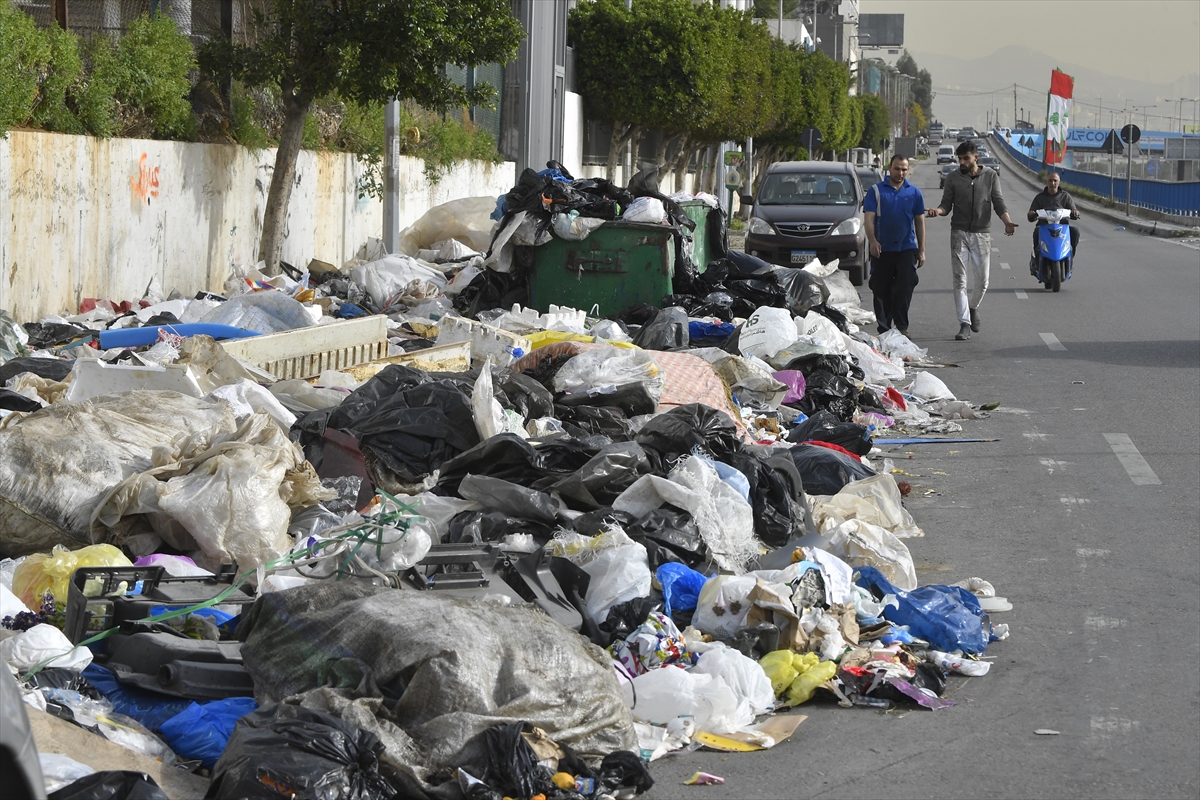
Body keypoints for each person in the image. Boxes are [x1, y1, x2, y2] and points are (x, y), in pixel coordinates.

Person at [926, 140, 1018, 340]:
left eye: (966, 158)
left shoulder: (990, 176)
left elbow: (998, 203)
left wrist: (1007, 222)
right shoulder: (952, 178)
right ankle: (964, 323)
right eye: (959, 159)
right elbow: (946, 205)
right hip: (958, 233)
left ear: (976, 158)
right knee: (959, 280)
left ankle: (973, 307)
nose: (962, 162)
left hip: (981, 234)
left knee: (983, 281)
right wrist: (937, 211)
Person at [863, 154, 926, 337]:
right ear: (889, 168)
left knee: (905, 286)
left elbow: (920, 222)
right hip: (882, 249)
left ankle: (901, 327)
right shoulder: (876, 191)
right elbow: (869, 219)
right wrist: (873, 241)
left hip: (906, 248)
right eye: (897, 169)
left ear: (908, 170)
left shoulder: (914, 193)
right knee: (880, 289)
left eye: (904, 169)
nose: (900, 173)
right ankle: (884, 329)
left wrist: (922, 250)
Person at [1027, 171, 1081, 264]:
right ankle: (1037, 260)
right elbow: (1031, 214)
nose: (1052, 183)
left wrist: (1075, 212)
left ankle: (1070, 257)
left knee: (1075, 231)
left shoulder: (1065, 196)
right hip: (1044, 227)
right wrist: (1031, 214)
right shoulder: (1040, 197)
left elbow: (1074, 210)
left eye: (1055, 180)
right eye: (1050, 180)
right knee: (1037, 232)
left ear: (1059, 182)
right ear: (1047, 181)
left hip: (1062, 228)